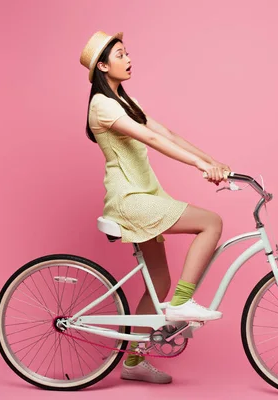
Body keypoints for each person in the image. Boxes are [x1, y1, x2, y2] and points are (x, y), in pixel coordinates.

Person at [80, 31, 231, 384]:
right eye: (120, 54)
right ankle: (182, 303)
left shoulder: (125, 103)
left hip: (147, 195)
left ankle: (132, 362)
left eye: (127, 52)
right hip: (130, 201)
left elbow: (169, 134)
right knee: (211, 223)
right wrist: (199, 167)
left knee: (159, 279)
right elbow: (150, 138)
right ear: (103, 65)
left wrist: (215, 162)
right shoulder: (101, 105)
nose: (128, 58)